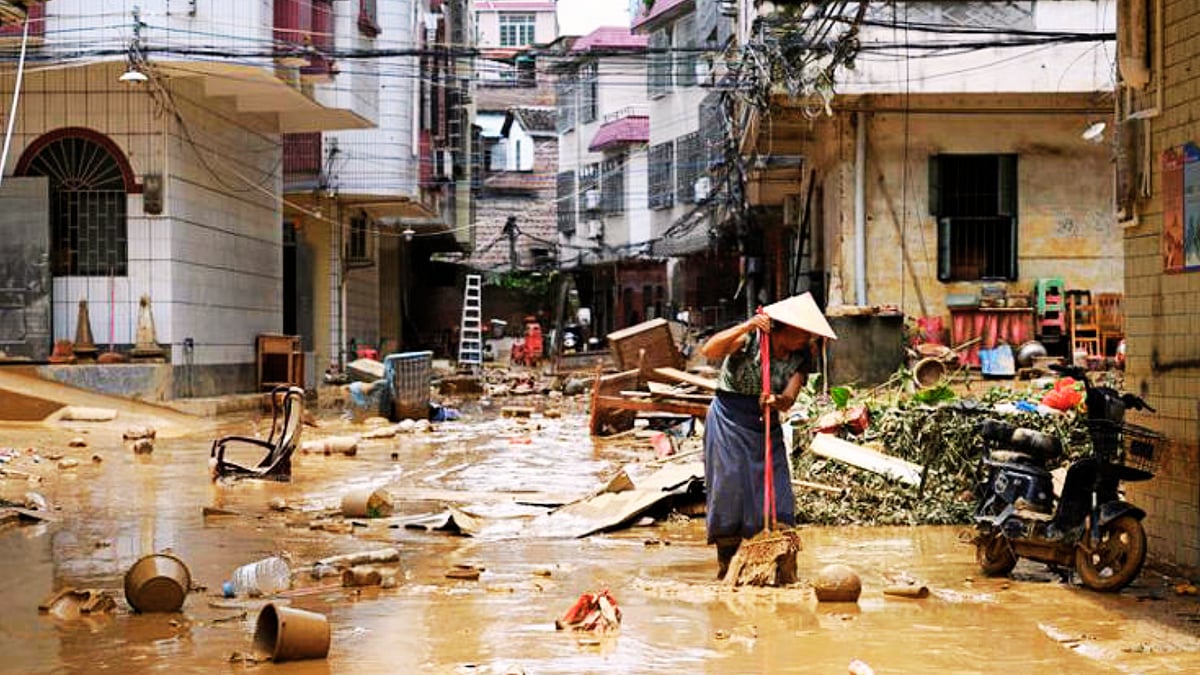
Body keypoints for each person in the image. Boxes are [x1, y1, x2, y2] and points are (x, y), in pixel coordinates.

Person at [699, 293, 836, 579]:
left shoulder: (801, 358)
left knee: (775, 493)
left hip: (765, 423)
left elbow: (789, 398)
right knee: (729, 489)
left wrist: (776, 401)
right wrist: (747, 325)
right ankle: (728, 565)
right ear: (783, 328)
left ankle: (780, 566)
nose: (807, 339)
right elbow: (709, 351)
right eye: (802, 333)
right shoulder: (749, 341)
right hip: (729, 419)